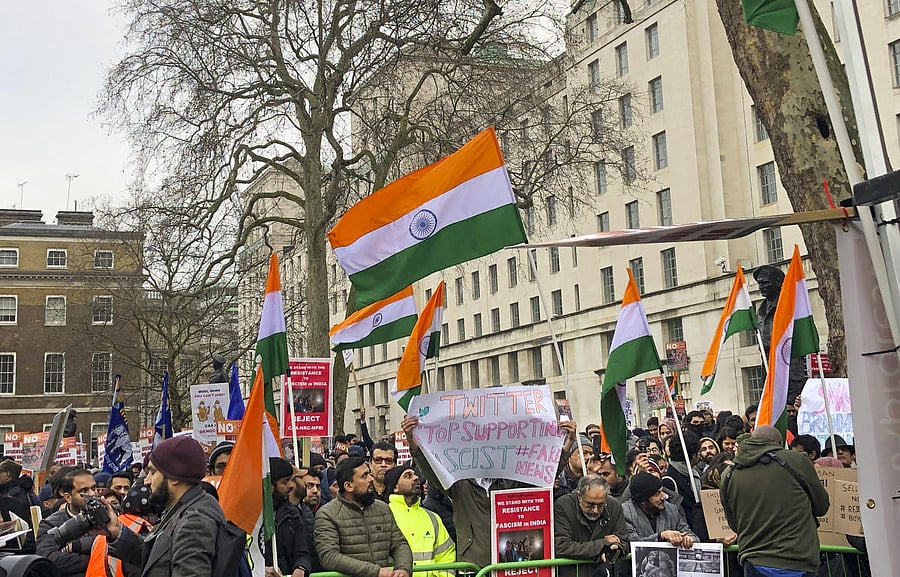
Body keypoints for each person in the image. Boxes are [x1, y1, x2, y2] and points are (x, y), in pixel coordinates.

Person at [401, 415, 544, 568]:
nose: (487, 453)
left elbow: (542, 475)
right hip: (473, 566)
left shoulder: (509, 482)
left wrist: (565, 444)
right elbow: (431, 471)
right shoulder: (458, 485)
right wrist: (412, 440)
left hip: (507, 565)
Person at [104, 436, 228, 577]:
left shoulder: (194, 522)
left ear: (174, 477)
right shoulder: (184, 509)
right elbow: (157, 560)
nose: (146, 481)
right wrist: (117, 533)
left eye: (153, 472)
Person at [720, 425, 829, 576]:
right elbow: (822, 507)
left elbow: (734, 524)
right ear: (779, 443)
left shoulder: (729, 474)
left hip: (754, 561)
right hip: (798, 559)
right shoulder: (796, 461)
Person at [315, 457, 412, 577]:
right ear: (348, 486)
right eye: (364, 476)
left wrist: (403, 569)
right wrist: (375, 572)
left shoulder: (382, 508)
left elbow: (399, 543)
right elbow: (329, 556)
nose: (371, 479)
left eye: (369, 473)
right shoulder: (327, 514)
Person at [383, 465, 455, 577]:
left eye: (415, 474)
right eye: (407, 476)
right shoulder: (383, 516)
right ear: (395, 487)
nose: (416, 478)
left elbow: (447, 555)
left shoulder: (432, 517)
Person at [554, 475, 628, 577]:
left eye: (601, 505)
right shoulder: (564, 506)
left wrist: (614, 549)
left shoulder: (614, 506)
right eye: (590, 505)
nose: (595, 510)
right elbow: (561, 546)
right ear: (579, 497)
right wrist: (602, 544)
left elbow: (623, 540)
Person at [35, 468, 99, 576]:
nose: (92, 494)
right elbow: (50, 560)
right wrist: (99, 557)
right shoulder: (50, 524)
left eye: (94, 488)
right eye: (84, 491)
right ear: (68, 497)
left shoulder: (108, 517)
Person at [621, 472, 697, 548]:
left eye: (661, 491)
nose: (663, 497)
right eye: (657, 494)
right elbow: (632, 542)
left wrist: (688, 539)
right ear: (643, 500)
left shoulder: (671, 510)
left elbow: (692, 536)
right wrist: (661, 536)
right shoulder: (626, 512)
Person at [268, 457, 311, 577]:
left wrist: (301, 567)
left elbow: (302, 552)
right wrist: (259, 570)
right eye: (284, 481)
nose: (291, 486)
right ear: (270, 485)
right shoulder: (249, 516)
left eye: (291, 480)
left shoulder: (292, 513)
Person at [555, 435, 594, 499]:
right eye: (583, 453)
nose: (588, 457)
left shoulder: (594, 478)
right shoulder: (557, 481)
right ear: (570, 455)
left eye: (590, 454)